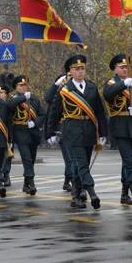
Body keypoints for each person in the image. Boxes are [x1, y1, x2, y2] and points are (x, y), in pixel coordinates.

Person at [47, 54, 108, 209]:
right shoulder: (64, 90)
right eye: (77, 69)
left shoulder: (92, 87)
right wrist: (50, 133)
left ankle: (76, 194)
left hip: (88, 131)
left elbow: (100, 112)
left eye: (82, 68)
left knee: (81, 165)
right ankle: (92, 192)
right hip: (71, 131)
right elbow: (54, 111)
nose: (80, 72)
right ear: (70, 72)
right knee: (82, 165)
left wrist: (103, 134)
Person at [102, 54, 132, 206]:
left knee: (130, 161)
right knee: (129, 161)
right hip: (120, 127)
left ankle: (124, 193)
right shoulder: (110, 83)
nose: (125, 69)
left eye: (126, 67)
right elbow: (108, 95)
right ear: (115, 69)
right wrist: (123, 85)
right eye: (122, 67)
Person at [8, 75, 46, 195]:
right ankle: (32, 183)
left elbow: (42, 114)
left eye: (25, 85)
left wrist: (35, 123)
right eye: (21, 85)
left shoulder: (33, 98)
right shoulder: (14, 98)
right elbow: (10, 106)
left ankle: (26, 183)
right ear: (16, 87)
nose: (24, 87)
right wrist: (24, 97)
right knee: (27, 159)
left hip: (32, 131)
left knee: (32, 159)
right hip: (20, 131)